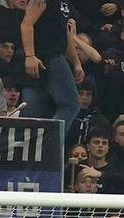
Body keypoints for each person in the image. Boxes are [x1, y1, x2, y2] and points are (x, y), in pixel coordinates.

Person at [21, 0, 83, 130]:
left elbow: (65, 34)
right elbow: (26, 24)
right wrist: (30, 56)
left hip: (51, 57)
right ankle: (52, 140)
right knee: (70, 104)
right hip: (49, 57)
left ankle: (33, 141)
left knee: (32, 113)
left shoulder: (65, 3)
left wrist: (76, 62)